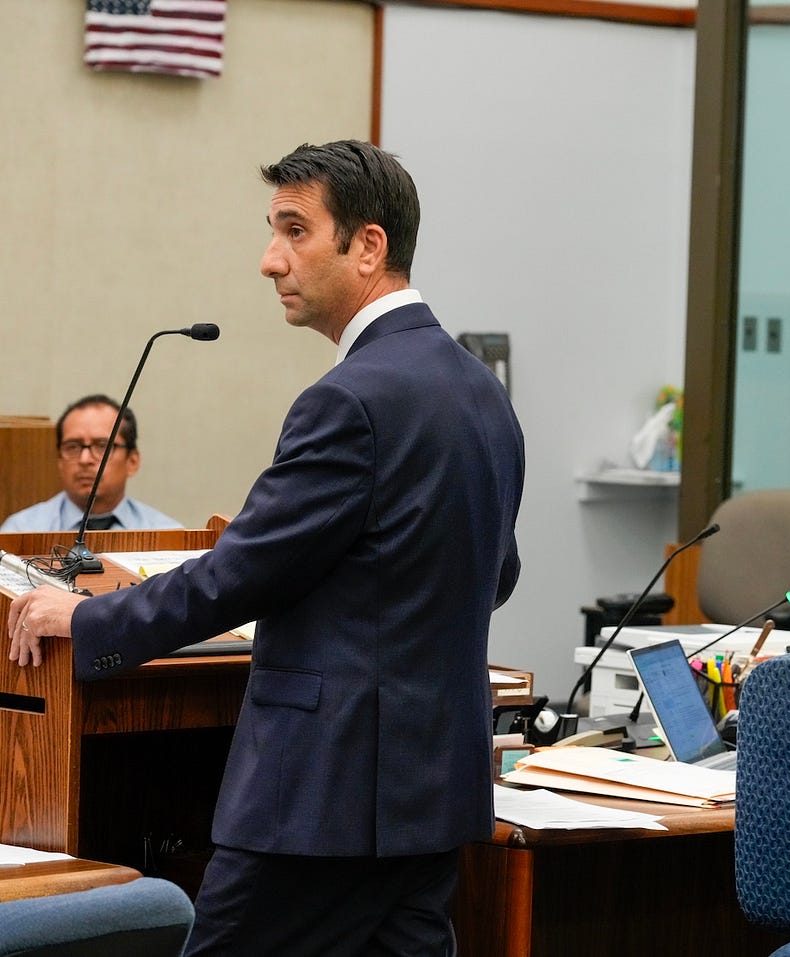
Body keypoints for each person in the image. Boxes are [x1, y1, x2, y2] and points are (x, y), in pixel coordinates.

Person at [8, 140, 526, 955]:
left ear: (368, 245)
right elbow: (493, 572)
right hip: (432, 793)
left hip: (324, 797)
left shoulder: (348, 399)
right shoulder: (478, 389)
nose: (268, 260)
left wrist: (83, 616)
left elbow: (237, 575)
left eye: (294, 230)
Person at [0, 394, 181, 532]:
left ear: (132, 461)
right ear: (59, 461)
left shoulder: (167, 534)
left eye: (102, 446)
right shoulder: (20, 531)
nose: (84, 460)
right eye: (72, 447)